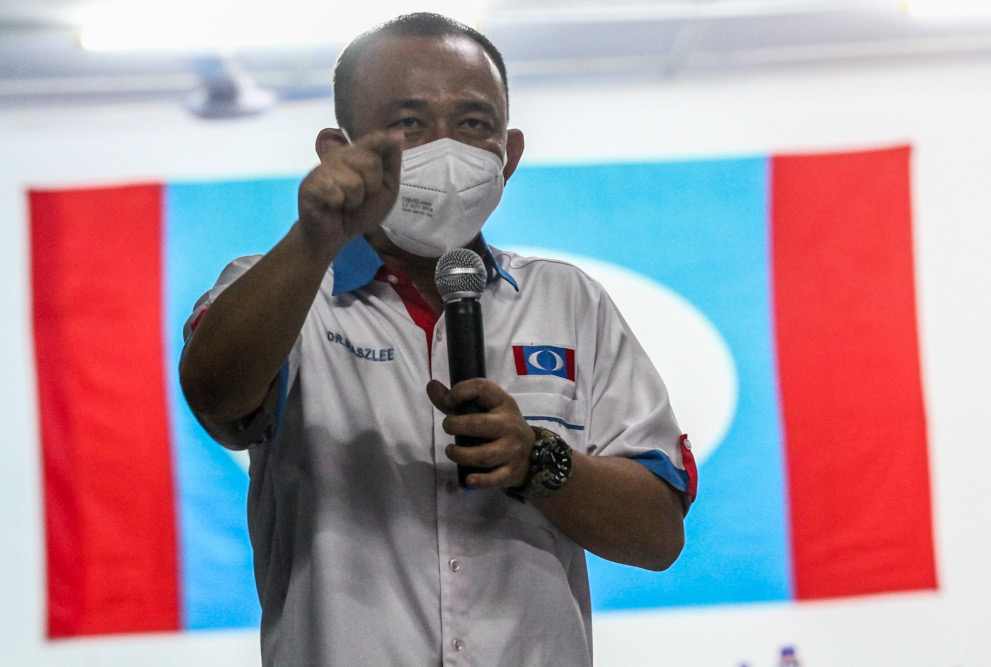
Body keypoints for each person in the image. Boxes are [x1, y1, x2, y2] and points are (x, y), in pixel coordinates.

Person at [179, 12, 696, 666]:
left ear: (508, 156)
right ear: (338, 152)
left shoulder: (569, 301)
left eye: (474, 124)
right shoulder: (281, 291)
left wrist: (541, 460)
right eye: (408, 124)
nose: (446, 149)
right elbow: (215, 395)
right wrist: (315, 240)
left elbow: (658, 535)